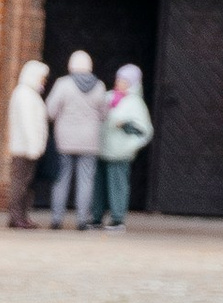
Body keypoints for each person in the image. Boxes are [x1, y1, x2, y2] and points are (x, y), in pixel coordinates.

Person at [45, 47, 107, 231]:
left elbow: (50, 110)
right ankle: (82, 220)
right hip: (89, 140)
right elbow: (104, 113)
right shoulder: (100, 86)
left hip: (64, 139)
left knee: (61, 178)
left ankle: (57, 219)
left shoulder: (63, 84)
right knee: (86, 180)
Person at [98, 62, 153, 228]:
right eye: (118, 79)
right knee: (98, 186)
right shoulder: (107, 97)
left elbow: (144, 131)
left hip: (120, 151)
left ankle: (117, 218)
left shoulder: (135, 103)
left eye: (123, 80)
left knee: (118, 186)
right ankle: (96, 216)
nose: (118, 83)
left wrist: (129, 144)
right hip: (102, 148)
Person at [4, 57, 50, 230]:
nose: (43, 81)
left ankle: (22, 215)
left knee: (26, 183)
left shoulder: (30, 93)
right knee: (20, 184)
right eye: (42, 77)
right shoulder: (23, 93)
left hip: (30, 147)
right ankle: (16, 217)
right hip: (24, 148)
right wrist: (33, 145)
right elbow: (26, 123)